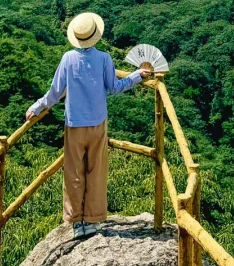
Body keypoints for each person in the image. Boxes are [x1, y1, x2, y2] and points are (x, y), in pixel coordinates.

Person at [26, 11, 153, 227]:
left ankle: (75, 220)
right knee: (96, 171)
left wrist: (37, 107)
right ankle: (93, 219)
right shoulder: (104, 58)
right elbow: (115, 87)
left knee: (74, 173)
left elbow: (55, 91)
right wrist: (136, 76)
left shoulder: (68, 58)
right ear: (96, 35)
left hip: (74, 124)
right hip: (97, 123)